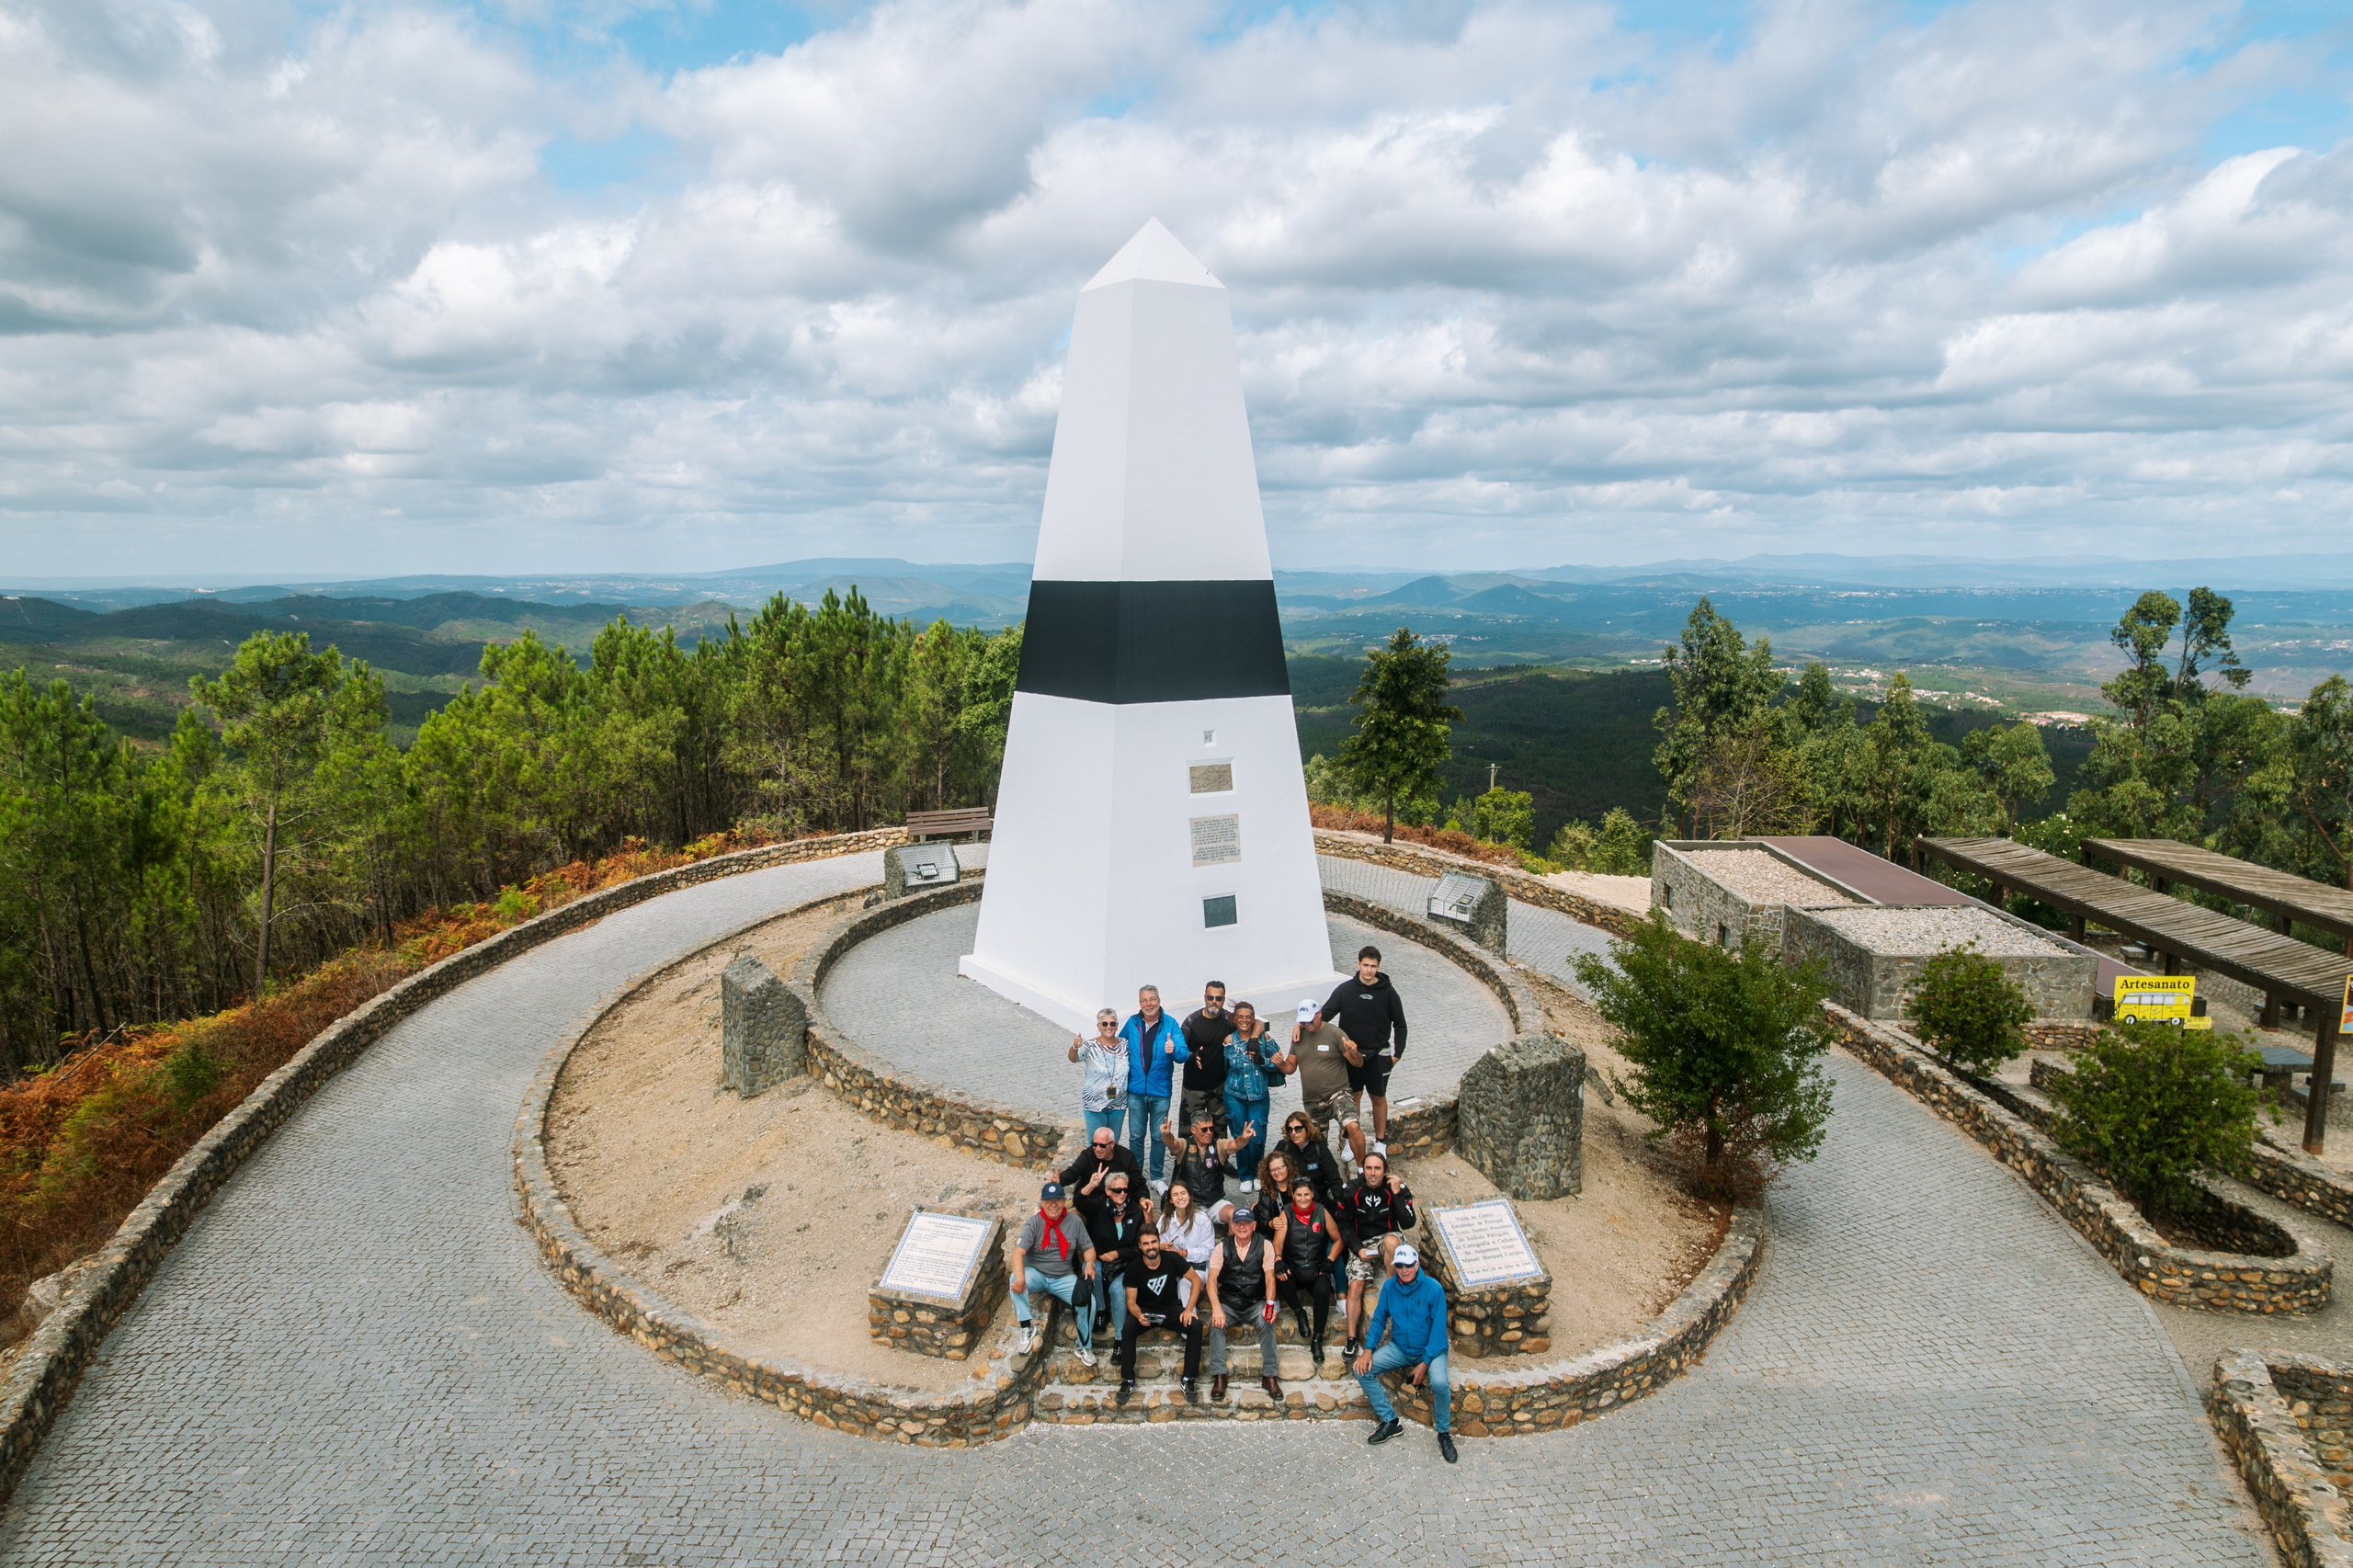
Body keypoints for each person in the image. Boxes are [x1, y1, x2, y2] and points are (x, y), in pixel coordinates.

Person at [1353, 1243, 1455, 1462]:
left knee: (1439, 1382)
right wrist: (1368, 1349)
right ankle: (1390, 1421)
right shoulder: (1390, 1287)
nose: (1404, 1270)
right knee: (1361, 1370)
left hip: (1432, 1350)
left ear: (1417, 1264)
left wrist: (1425, 1362)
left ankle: (1444, 1433)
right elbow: (1379, 1320)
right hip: (1400, 1348)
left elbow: (1438, 1333)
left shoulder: (1434, 1289)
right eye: (1399, 1265)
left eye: (1409, 1265)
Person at [1315, 946, 1408, 1155]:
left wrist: (1396, 1055)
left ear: (1378, 966)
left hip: (1379, 1056)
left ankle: (1380, 1143)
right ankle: (1350, 1140)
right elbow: (1325, 1015)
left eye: (1373, 966)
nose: (1369, 970)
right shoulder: (1345, 990)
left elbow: (1400, 1024)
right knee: (1352, 1098)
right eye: (1365, 965)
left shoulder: (1389, 993)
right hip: (1350, 1055)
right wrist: (1300, 1026)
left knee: (1378, 1098)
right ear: (1358, 964)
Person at [1338, 1151, 1416, 1357]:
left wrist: (1397, 1193)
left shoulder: (1396, 1187)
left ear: (1385, 1171)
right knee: (1355, 1286)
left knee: (1392, 1242)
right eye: (1369, 1168)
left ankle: (1392, 1291)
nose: (1373, 1173)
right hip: (1362, 1241)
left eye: (1378, 1169)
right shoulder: (1351, 1190)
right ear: (1363, 1170)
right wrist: (1358, 1249)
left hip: (1387, 1235)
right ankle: (1352, 1339)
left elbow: (1409, 1223)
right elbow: (1344, 1225)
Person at [1009, 1182, 1097, 1364]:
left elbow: (1088, 1248)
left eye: (1057, 1200)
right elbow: (1018, 1253)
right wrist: (1020, 1278)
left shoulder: (1074, 1222)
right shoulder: (1033, 1223)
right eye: (1049, 1201)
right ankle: (1027, 1326)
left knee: (1089, 1301)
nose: (1053, 1205)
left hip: (1063, 1276)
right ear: (1042, 1202)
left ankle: (1083, 1345)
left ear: (1064, 1202)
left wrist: (1089, 1263)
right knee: (1014, 1280)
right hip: (1037, 1273)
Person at [1117, 1225, 1203, 1406]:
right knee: (1128, 1328)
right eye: (1146, 1243)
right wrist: (1138, 1315)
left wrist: (1188, 1310)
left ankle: (1188, 1379)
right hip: (1146, 1310)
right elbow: (1131, 1301)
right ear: (1140, 1246)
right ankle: (1128, 1381)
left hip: (1170, 1309)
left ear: (1159, 1242)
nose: (1151, 1247)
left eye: (1154, 1242)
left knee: (1196, 1325)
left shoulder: (1172, 1258)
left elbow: (1196, 1280)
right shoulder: (1134, 1268)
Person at [1204, 1205, 1281, 1403]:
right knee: (1216, 1323)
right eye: (1238, 1223)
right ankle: (1219, 1375)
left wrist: (1270, 1306)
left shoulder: (1265, 1245)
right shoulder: (1222, 1247)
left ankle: (1270, 1375)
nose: (1242, 1227)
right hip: (1229, 1302)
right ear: (1233, 1225)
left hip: (1256, 1301)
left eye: (1246, 1223)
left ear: (1254, 1225)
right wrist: (1217, 1308)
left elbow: (1270, 1278)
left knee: (1266, 1321)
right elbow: (1211, 1280)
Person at [1284, 997, 1367, 1168]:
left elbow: (1358, 1063)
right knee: (1316, 1145)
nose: (1307, 1025)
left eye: (1309, 1020)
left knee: (1352, 1126)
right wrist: (1278, 1063)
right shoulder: (1298, 1036)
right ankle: (1323, 1181)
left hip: (1338, 1093)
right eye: (1303, 1022)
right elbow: (1290, 1068)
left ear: (1319, 1014)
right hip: (1312, 1100)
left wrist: (1354, 1052)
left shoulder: (1335, 1034)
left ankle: (1362, 1169)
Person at [1120, 985, 1188, 1186]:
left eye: (1152, 999)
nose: (1148, 1004)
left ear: (1159, 1000)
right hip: (1136, 1091)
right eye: (1144, 1000)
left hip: (1160, 1092)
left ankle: (1157, 1176)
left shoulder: (1170, 1024)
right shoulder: (1132, 1023)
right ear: (1139, 1003)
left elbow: (1184, 1055)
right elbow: (1119, 1046)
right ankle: (1136, 1175)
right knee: (1135, 1136)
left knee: (1159, 1137)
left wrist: (1174, 1049)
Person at [1273, 1174, 1342, 1365]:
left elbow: (1338, 1239)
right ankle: (1299, 1312)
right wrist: (1278, 1259)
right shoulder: (1285, 1213)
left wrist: (1330, 1260)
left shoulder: (1321, 1211)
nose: (1303, 1199)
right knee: (1280, 1276)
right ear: (1293, 1196)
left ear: (1312, 1194)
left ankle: (1317, 1338)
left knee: (1323, 1289)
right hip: (1294, 1268)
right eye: (1299, 1195)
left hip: (1316, 1268)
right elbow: (1277, 1243)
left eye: (1307, 1194)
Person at [1076, 1165, 1148, 1347]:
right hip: (1101, 1261)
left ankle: (1119, 1339)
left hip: (1124, 1265)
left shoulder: (1135, 1211)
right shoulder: (1099, 1206)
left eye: (1125, 1189)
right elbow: (1079, 1201)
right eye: (1117, 1190)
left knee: (1118, 1291)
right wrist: (1092, 1185)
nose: (1122, 1193)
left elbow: (1139, 1247)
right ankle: (1101, 1310)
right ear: (1108, 1191)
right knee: (1089, 1268)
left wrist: (1117, 1253)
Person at [1221, 1002, 1277, 1187]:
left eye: (1248, 1017)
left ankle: (1258, 1173)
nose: (1244, 1020)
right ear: (1234, 1019)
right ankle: (1244, 1175)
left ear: (1253, 1018)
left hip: (1259, 1096)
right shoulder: (1229, 1040)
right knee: (1240, 1136)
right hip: (1234, 1095)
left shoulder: (1263, 1037)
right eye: (1241, 1017)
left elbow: (1278, 1061)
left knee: (1257, 1138)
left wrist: (1263, 1061)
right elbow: (1224, 1067)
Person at [1160, 1109, 1251, 1221]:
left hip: (1214, 1202)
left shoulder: (1218, 1145)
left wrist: (1244, 1138)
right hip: (1190, 1204)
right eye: (1204, 1129)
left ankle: (1230, 1240)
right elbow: (1172, 1144)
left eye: (1211, 1128)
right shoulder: (1184, 1145)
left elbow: (1236, 1145)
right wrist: (1167, 1135)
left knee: (1234, 1215)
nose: (1209, 1132)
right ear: (1193, 1130)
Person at [1178, 981, 1236, 1139]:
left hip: (1219, 1088)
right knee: (1188, 1136)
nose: (1214, 1002)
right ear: (1205, 997)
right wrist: (1191, 1055)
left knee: (1219, 1135)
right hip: (1193, 1089)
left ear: (1224, 1000)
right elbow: (1179, 1049)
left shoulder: (1230, 1020)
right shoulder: (1192, 1021)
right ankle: (1186, 1164)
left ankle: (1218, 1164)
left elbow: (1257, 1023)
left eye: (1218, 998)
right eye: (1210, 997)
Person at [1068, 1008, 1129, 1145]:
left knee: (1113, 1144)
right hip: (1094, 1104)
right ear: (1099, 1026)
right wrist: (1074, 1047)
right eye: (1105, 1024)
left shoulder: (1125, 1045)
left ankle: (1110, 1167)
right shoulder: (1090, 1046)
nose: (1109, 1027)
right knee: (1095, 1144)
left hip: (1118, 1104)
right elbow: (1074, 1058)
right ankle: (1094, 1168)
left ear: (1117, 1026)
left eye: (1112, 1024)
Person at [1061, 1122, 1141, 1199]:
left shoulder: (1126, 1156)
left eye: (1103, 1145)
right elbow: (1073, 1172)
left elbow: (1138, 1182)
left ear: (1112, 1144)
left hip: (1119, 1201)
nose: (1098, 1149)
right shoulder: (1088, 1155)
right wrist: (1058, 1180)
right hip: (1091, 1202)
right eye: (1094, 1144)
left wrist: (1143, 1199)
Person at [1155, 1175, 1218, 1274]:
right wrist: (1161, 1247)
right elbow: (1157, 1241)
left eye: (1183, 1193)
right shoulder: (1165, 1219)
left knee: (1184, 1287)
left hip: (1196, 1267)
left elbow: (1208, 1252)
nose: (1180, 1197)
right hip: (1172, 1265)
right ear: (1171, 1200)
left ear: (1189, 1196)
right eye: (1175, 1195)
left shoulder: (1202, 1219)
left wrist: (1183, 1253)